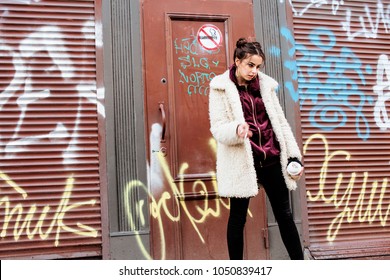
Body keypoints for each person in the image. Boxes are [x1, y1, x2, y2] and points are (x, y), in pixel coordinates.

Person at [208, 37, 304, 260]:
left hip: (271, 157)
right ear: (237, 61)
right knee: (238, 218)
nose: (254, 71)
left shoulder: (266, 86)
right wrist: (237, 130)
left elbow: (279, 123)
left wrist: (293, 156)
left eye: (258, 66)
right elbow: (218, 127)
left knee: (284, 215)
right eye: (250, 65)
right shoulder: (220, 87)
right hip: (243, 160)